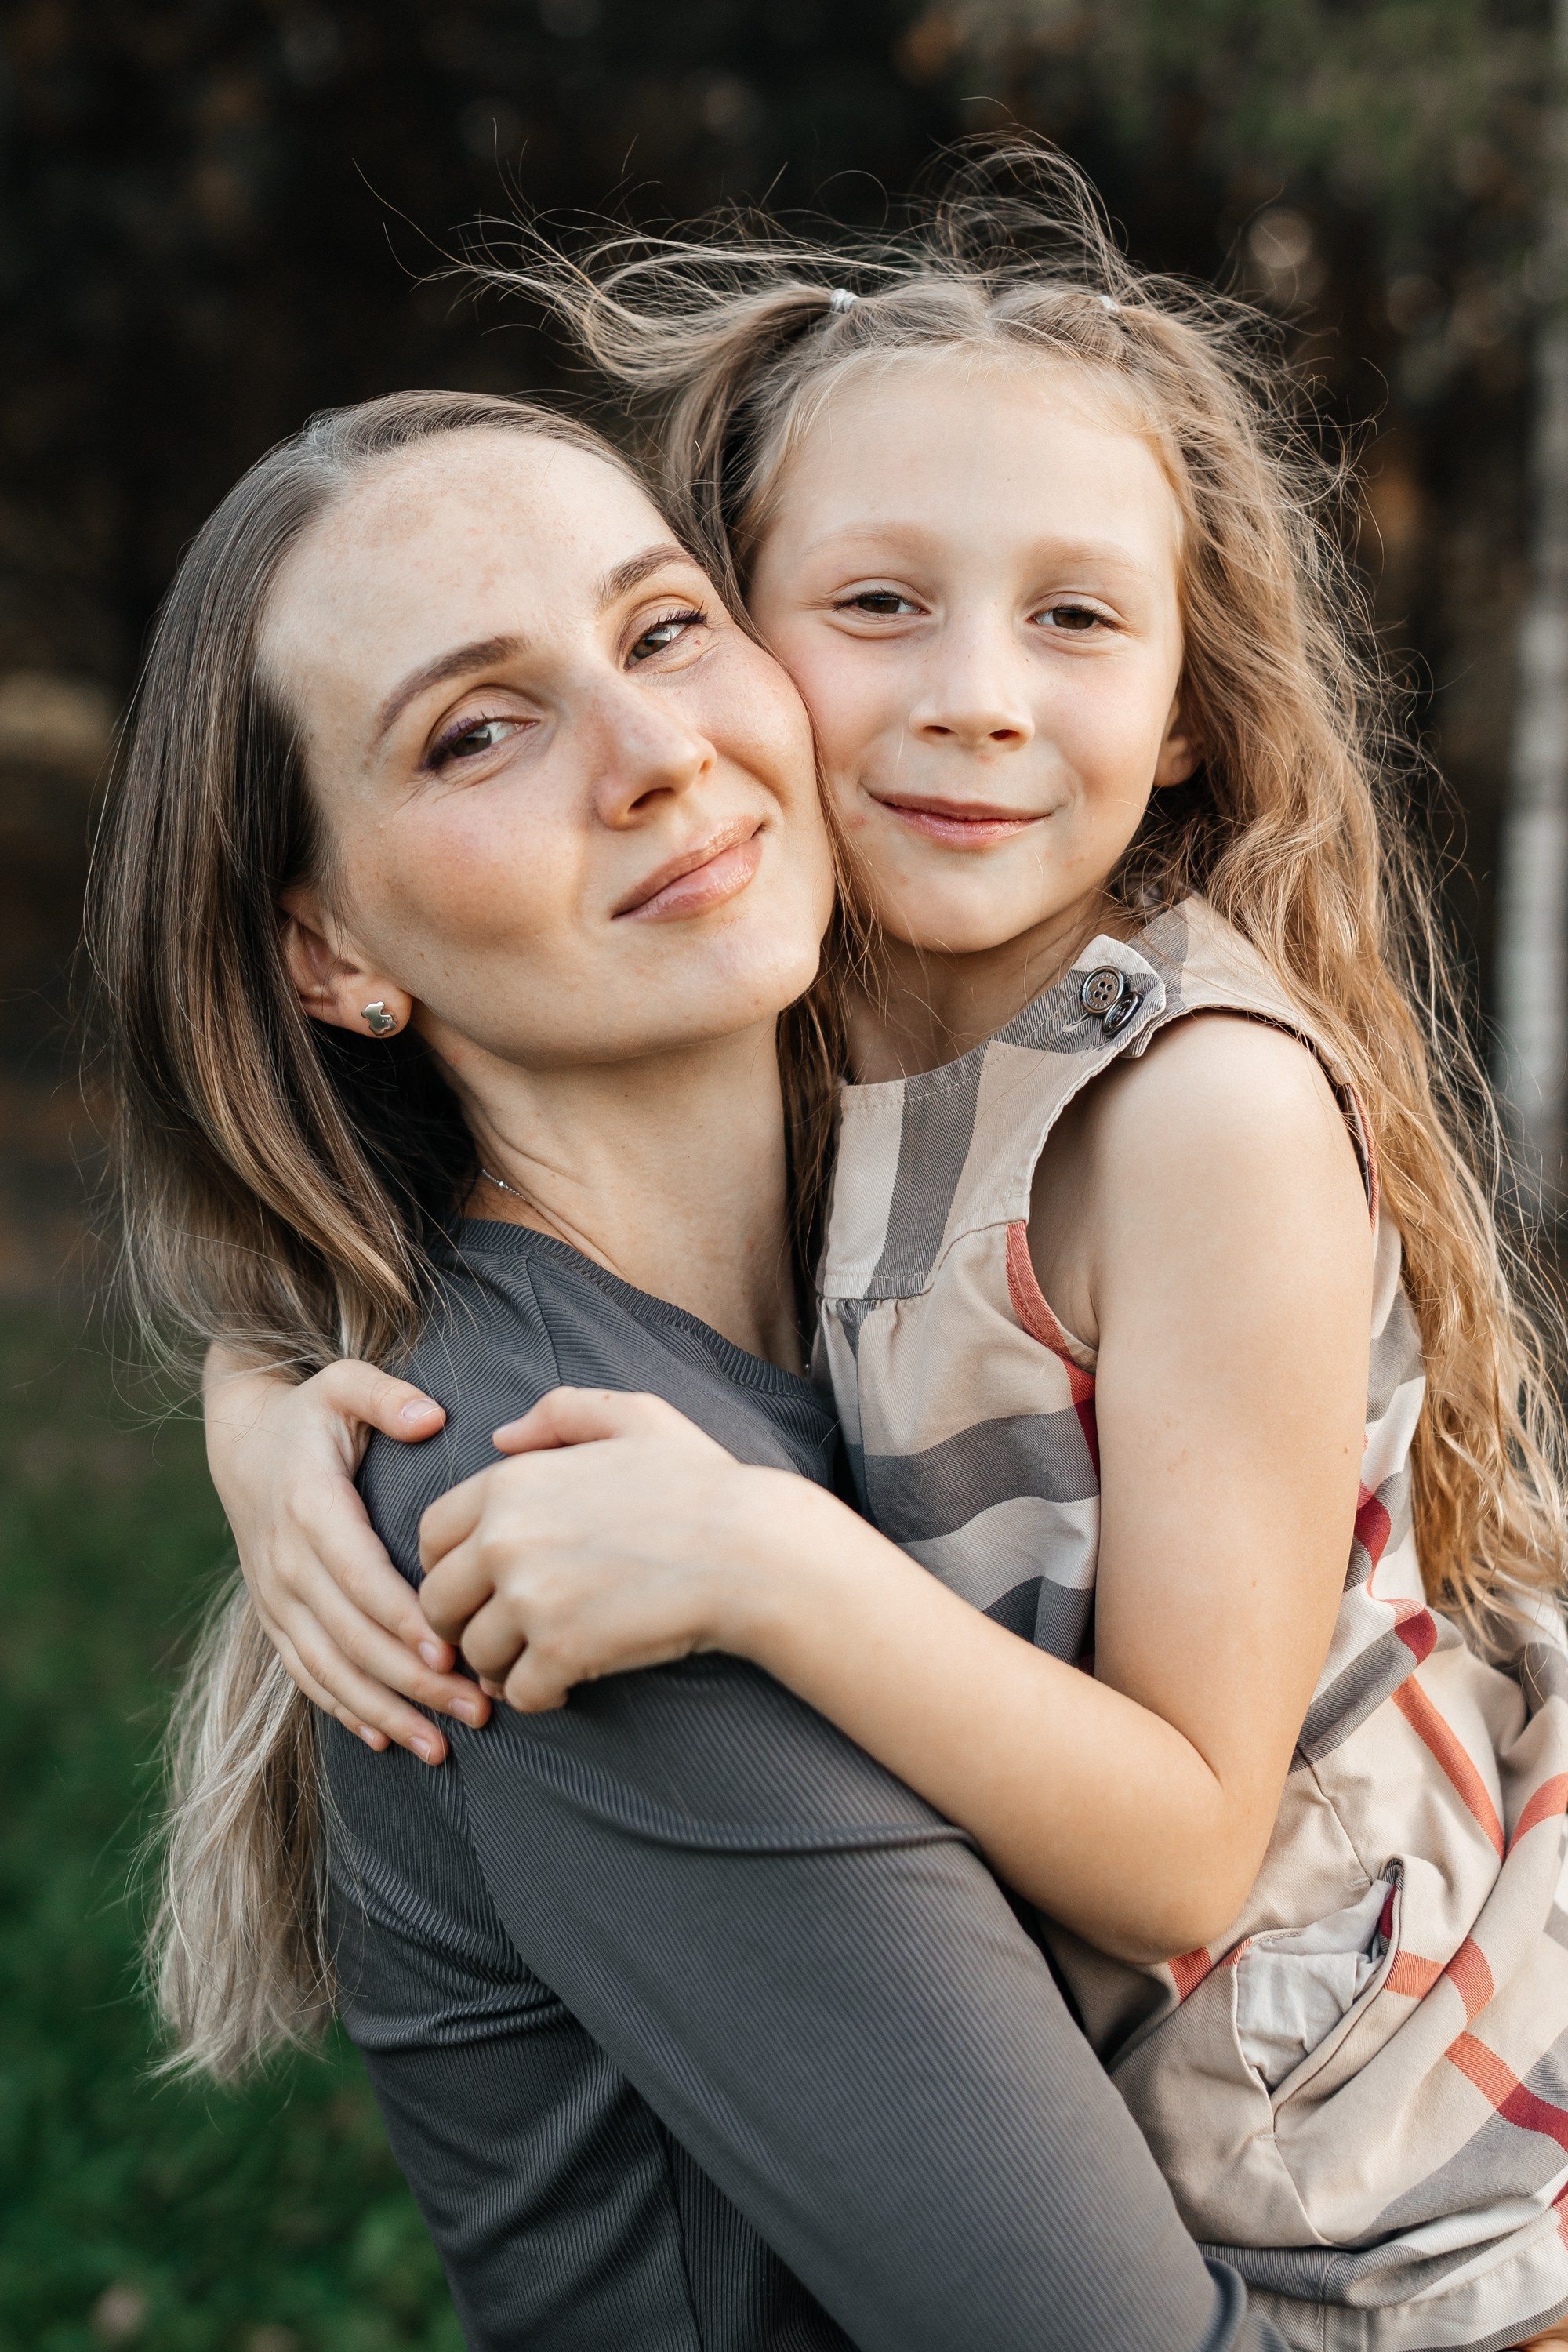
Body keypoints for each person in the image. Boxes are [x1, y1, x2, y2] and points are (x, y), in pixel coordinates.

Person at [219, 151, 1568, 2351]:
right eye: (874, 607)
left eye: (1076, 617)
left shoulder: (1195, 1113)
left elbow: (1190, 1855)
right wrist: (264, 1405)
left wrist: (765, 1560)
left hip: (1403, 2212)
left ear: (1193, 711)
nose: (973, 697)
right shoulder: (822, 1048)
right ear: (758, 642)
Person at [98, 383, 1285, 2351]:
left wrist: (252, 1382)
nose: (655, 755)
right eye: (476, 731)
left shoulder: (957, 1219)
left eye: (662, 633)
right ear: (328, 955)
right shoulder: (561, 1529)